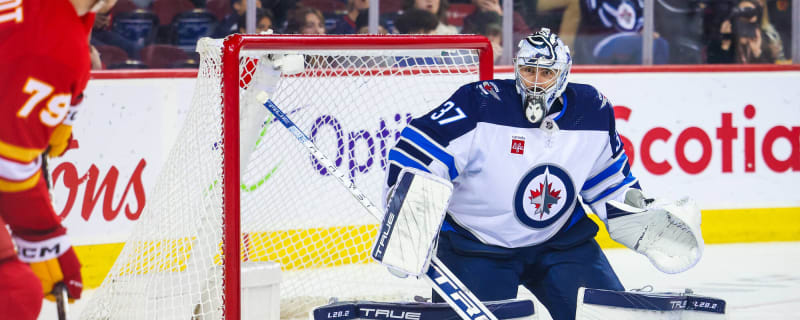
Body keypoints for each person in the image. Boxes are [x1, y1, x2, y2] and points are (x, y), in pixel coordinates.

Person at [383, 28, 702, 320]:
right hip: (476, 247)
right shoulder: (480, 103)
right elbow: (416, 151)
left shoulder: (592, 110)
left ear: (564, 74)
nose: (535, 81)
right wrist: (410, 214)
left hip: (561, 243)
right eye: (528, 70)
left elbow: (609, 181)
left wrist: (640, 213)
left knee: (608, 317)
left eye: (547, 72)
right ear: (516, 68)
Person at [0, 0, 110, 318]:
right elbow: (9, 167)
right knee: (14, 291)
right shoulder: (55, 48)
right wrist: (45, 241)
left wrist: (64, 110)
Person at [706, 0, 784, 64]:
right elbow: (716, 70)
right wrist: (725, 44)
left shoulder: (768, 40)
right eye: (742, 13)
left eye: (750, 13)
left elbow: (771, 74)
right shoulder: (727, 40)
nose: (745, 18)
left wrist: (757, 52)